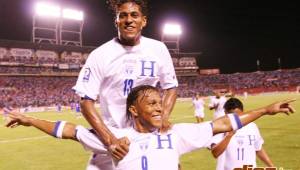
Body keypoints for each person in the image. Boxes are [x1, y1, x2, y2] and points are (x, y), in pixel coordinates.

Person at [6, 85, 295, 170]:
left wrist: (266, 110)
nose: (159, 107)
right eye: (151, 103)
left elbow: (223, 123)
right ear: (134, 110)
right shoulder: (117, 140)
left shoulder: (176, 134)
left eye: (160, 102)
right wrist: (31, 119)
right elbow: (69, 130)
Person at [72, 0, 178, 169]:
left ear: (143, 21)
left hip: (147, 136)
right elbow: (85, 101)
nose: (129, 20)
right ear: (117, 21)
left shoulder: (158, 49)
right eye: (123, 16)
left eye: (134, 15)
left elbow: (171, 87)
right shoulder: (100, 55)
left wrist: (162, 118)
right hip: (112, 138)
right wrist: (110, 140)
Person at [210, 98, 274, 170]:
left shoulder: (252, 126)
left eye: (239, 115)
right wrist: (229, 135)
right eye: (232, 116)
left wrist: (271, 166)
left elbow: (258, 148)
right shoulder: (219, 128)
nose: (236, 119)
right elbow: (215, 153)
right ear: (225, 113)